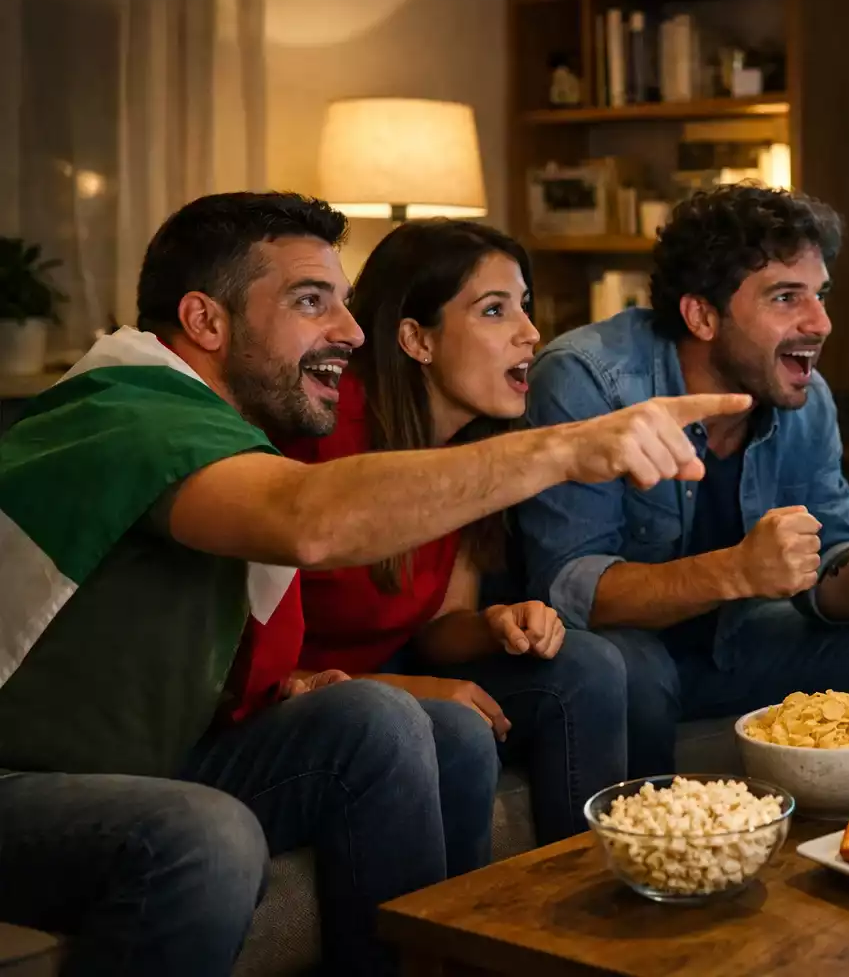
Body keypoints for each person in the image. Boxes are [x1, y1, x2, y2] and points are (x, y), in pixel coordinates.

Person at [0, 192, 747, 976]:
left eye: (346, 304)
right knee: (202, 835)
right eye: (310, 301)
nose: (352, 333)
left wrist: (300, 684)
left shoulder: (228, 429)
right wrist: (568, 449)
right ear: (205, 321)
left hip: (152, 757)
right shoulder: (129, 412)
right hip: (24, 779)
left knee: (381, 718)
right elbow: (308, 522)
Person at [520, 184, 849, 778]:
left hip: (733, 645)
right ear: (702, 314)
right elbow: (570, 590)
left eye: (820, 295)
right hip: (617, 654)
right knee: (629, 669)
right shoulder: (589, 381)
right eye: (785, 297)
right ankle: (658, 860)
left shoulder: (807, 397)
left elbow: (826, 584)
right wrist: (737, 570)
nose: (820, 322)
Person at [278, 219, 627, 846]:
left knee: (589, 663)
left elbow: (443, 627)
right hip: (310, 696)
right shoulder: (326, 439)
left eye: (525, 306)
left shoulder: (477, 447)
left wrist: (497, 622)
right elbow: (269, 673)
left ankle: (588, 907)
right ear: (417, 339)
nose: (531, 333)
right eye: (495, 311)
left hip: (389, 669)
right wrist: (410, 689)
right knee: (457, 729)